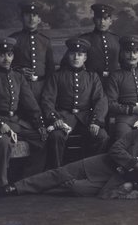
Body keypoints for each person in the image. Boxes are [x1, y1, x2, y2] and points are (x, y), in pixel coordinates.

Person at [3, 109, 138, 196]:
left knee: (75, 189)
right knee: (62, 173)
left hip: (115, 181)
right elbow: (115, 149)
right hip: (103, 164)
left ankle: (40, 190)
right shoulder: (136, 134)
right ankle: (17, 188)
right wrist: (134, 163)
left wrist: (135, 181)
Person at [0, 37, 47, 192]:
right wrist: (1, 124)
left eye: (9, 54)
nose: (6, 59)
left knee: (42, 139)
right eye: (2, 55)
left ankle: (26, 181)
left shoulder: (18, 77)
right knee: (2, 143)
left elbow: (31, 105)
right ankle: (2, 184)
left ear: (13, 56)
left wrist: (40, 124)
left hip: (16, 121)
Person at [41, 37, 109, 169]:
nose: (76, 57)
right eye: (73, 54)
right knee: (56, 136)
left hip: (86, 119)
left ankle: (90, 170)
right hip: (64, 118)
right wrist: (54, 118)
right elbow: (47, 99)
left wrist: (96, 121)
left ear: (85, 57)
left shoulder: (92, 77)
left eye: (80, 54)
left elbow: (101, 100)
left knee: (102, 137)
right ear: (68, 55)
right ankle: (57, 172)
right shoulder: (57, 76)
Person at [9, 1, 55, 102]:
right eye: (27, 15)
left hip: (42, 89)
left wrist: (48, 92)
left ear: (39, 19)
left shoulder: (45, 41)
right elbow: (5, 66)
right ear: (22, 18)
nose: (31, 18)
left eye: (34, 15)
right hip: (19, 88)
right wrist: (19, 71)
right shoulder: (13, 40)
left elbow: (50, 70)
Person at [76, 3, 120, 86]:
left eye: (105, 18)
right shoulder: (84, 39)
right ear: (94, 20)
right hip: (91, 83)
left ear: (110, 21)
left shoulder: (116, 39)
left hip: (113, 83)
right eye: (99, 18)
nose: (102, 21)